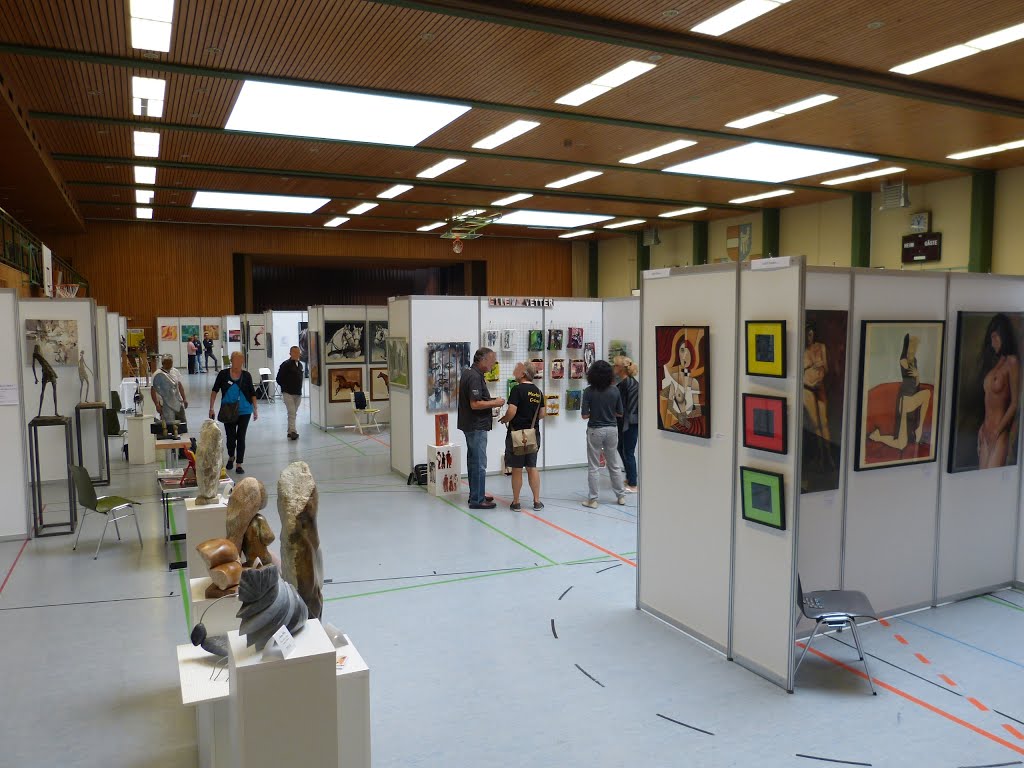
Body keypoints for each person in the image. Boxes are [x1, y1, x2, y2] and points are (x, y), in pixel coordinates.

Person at [457, 347, 505, 510]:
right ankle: (477, 499)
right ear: (483, 360)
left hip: (470, 424)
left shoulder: (470, 373)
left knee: (473, 461)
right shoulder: (474, 377)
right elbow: (475, 404)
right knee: (479, 463)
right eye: (492, 361)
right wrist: (495, 403)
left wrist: (490, 400)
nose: (493, 365)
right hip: (475, 425)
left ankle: (476, 494)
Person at [868, 334, 931, 452]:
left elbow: (917, 383)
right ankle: (877, 437)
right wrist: (911, 360)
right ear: (907, 346)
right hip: (905, 400)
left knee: (927, 393)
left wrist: (918, 375)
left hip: (913, 399)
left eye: (916, 346)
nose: (914, 349)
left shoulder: (914, 360)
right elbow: (906, 366)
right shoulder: (903, 360)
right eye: (912, 346)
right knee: (901, 444)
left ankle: (920, 428)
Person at [499, 362, 544, 511]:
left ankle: (516, 502)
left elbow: (512, 411)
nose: (515, 373)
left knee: (517, 468)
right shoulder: (538, 392)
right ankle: (537, 501)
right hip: (533, 434)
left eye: (517, 371)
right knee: (532, 467)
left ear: (523, 373)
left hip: (517, 435)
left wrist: (505, 419)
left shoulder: (517, 390)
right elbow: (542, 414)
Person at [978, 314, 1020, 469]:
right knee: (981, 482)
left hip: (998, 433)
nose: (992, 342)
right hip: (985, 432)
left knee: (991, 484)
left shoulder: (1012, 362)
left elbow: (1014, 403)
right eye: (991, 338)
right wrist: (982, 428)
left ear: (1004, 336)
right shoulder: (997, 363)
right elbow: (989, 400)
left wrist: (997, 431)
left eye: (995, 337)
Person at [582, 359, 625, 508]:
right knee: (614, 464)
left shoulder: (588, 391)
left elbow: (584, 415)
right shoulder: (615, 390)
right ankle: (621, 496)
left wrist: (596, 411)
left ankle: (593, 499)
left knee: (594, 466)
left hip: (595, 430)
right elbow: (620, 413)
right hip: (612, 430)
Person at [209, 351, 259, 474]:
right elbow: (215, 391)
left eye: (240, 360)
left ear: (242, 361)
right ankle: (231, 456)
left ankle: (239, 464)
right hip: (228, 410)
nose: (238, 362)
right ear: (231, 361)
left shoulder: (246, 375)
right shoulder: (223, 374)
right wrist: (211, 408)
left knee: (241, 437)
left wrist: (255, 409)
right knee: (231, 437)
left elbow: (252, 393)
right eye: (235, 360)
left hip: (245, 410)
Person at [802, 322, 835, 471]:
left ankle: (828, 457)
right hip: (806, 389)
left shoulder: (821, 347)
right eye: (806, 334)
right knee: (816, 425)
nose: (809, 337)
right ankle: (821, 458)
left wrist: (819, 369)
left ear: (814, 333)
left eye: (811, 333)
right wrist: (811, 367)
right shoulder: (801, 351)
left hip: (819, 386)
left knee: (824, 423)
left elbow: (826, 368)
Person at [614, 356, 639, 492]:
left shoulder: (626, 384)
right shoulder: (629, 383)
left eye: (615, 366)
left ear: (621, 368)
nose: (614, 368)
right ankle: (630, 477)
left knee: (628, 451)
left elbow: (622, 407)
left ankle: (633, 484)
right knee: (622, 448)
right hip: (627, 422)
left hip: (629, 423)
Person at [152, 356, 187, 436]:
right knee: (168, 426)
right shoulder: (157, 374)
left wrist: (184, 399)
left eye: (170, 362)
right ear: (163, 363)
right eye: (167, 363)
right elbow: (153, 390)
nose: (169, 364)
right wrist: (157, 404)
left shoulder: (175, 371)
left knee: (182, 425)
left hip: (178, 402)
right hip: (165, 404)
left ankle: (183, 445)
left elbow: (180, 386)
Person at [277, 345, 304, 441]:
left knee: (293, 413)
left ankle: (289, 431)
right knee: (292, 412)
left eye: (298, 352)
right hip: (288, 392)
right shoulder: (285, 364)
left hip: (298, 393)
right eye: (294, 352)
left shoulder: (300, 365)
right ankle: (293, 431)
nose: (297, 354)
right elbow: (279, 379)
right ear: (290, 353)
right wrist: (285, 387)